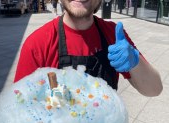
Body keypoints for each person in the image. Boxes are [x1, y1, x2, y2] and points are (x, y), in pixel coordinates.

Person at [14, 0, 162, 97]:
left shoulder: (114, 35)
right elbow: (19, 107)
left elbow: (154, 90)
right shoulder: (37, 44)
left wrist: (135, 62)